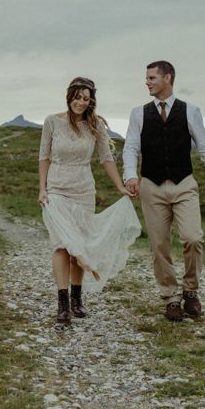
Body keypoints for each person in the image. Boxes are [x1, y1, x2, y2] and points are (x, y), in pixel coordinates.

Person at [123, 61, 205, 322]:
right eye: (146, 78)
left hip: (184, 184)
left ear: (167, 78)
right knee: (159, 244)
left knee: (193, 237)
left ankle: (191, 291)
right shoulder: (138, 113)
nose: (146, 82)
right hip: (151, 185)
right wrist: (130, 174)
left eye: (151, 78)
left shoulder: (190, 111)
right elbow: (130, 147)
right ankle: (171, 297)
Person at [38, 77, 141, 325]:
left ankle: (77, 299)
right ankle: (62, 304)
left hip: (84, 192)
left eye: (86, 98)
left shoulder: (95, 126)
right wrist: (42, 189)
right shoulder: (52, 122)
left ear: (91, 100)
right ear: (69, 96)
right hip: (57, 191)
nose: (81, 102)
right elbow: (44, 157)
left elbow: (106, 158)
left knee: (79, 248)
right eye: (78, 97)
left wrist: (119, 186)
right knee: (62, 245)